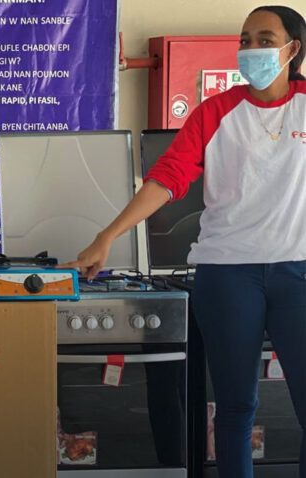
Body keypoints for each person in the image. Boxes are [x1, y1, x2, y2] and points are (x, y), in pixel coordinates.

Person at [59, 5, 306, 477]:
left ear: (292, 49)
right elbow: (168, 177)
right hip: (228, 274)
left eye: (264, 39)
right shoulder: (216, 111)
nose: (251, 49)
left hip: (298, 271)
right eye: (246, 39)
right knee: (235, 407)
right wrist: (107, 235)